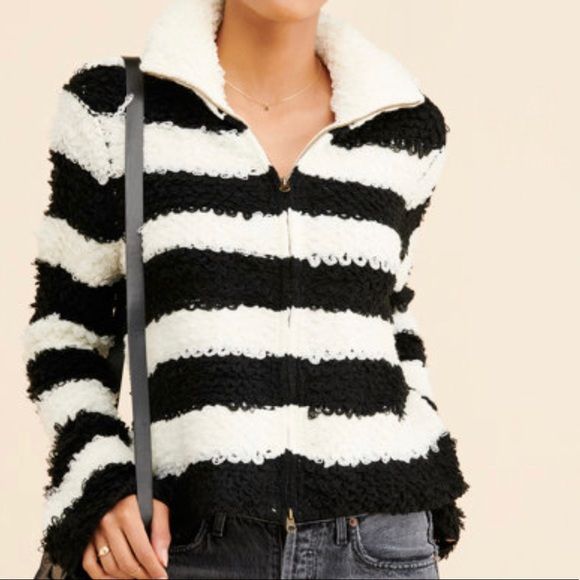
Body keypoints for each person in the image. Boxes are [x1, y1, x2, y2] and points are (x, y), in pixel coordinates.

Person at [22, 0, 469, 578]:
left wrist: (430, 486)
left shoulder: (402, 125)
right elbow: (67, 336)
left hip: (381, 547)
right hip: (187, 545)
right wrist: (99, 484)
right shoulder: (117, 108)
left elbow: (390, 321)